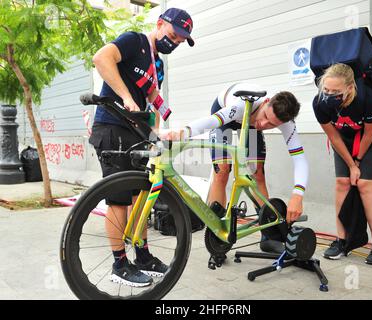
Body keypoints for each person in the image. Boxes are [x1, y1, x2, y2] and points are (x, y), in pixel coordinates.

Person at [89, 8, 194, 287]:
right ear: (160, 25)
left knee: (142, 197)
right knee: (119, 199)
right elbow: (101, 58)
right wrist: (125, 97)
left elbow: (153, 97)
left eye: (181, 40)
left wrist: (159, 131)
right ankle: (119, 263)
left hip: (137, 130)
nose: (176, 42)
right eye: (173, 35)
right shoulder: (134, 41)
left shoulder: (156, 64)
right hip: (112, 126)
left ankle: (143, 256)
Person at [164, 83, 309, 225]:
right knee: (222, 171)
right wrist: (182, 133)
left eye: (272, 124)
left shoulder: (287, 122)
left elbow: (299, 159)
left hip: (250, 124)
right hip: (226, 114)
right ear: (266, 102)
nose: (264, 125)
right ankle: (216, 227)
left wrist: (298, 194)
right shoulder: (240, 105)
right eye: (265, 116)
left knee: (257, 173)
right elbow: (211, 121)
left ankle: (269, 234)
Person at [312, 63, 372, 265]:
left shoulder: (367, 98)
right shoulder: (319, 103)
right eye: (326, 89)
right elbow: (334, 138)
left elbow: (369, 133)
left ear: (350, 87)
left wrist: (357, 163)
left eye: (335, 91)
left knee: (365, 184)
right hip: (343, 140)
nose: (329, 94)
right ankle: (342, 240)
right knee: (342, 182)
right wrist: (351, 165)